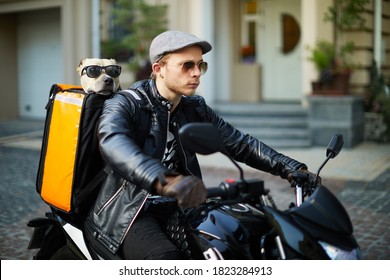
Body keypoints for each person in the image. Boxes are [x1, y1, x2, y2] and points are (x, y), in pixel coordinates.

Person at [84, 30, 318, 260]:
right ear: (159, 69)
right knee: (166, 260)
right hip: (131, 211)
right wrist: (166, 180)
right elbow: (114, 143)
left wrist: (289, 167)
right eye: (187, 65)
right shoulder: (126, 103)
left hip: (182, 205)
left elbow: (239, 143)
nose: (197, 73)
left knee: (242, 240)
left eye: (200, 65)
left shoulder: (193, 107)